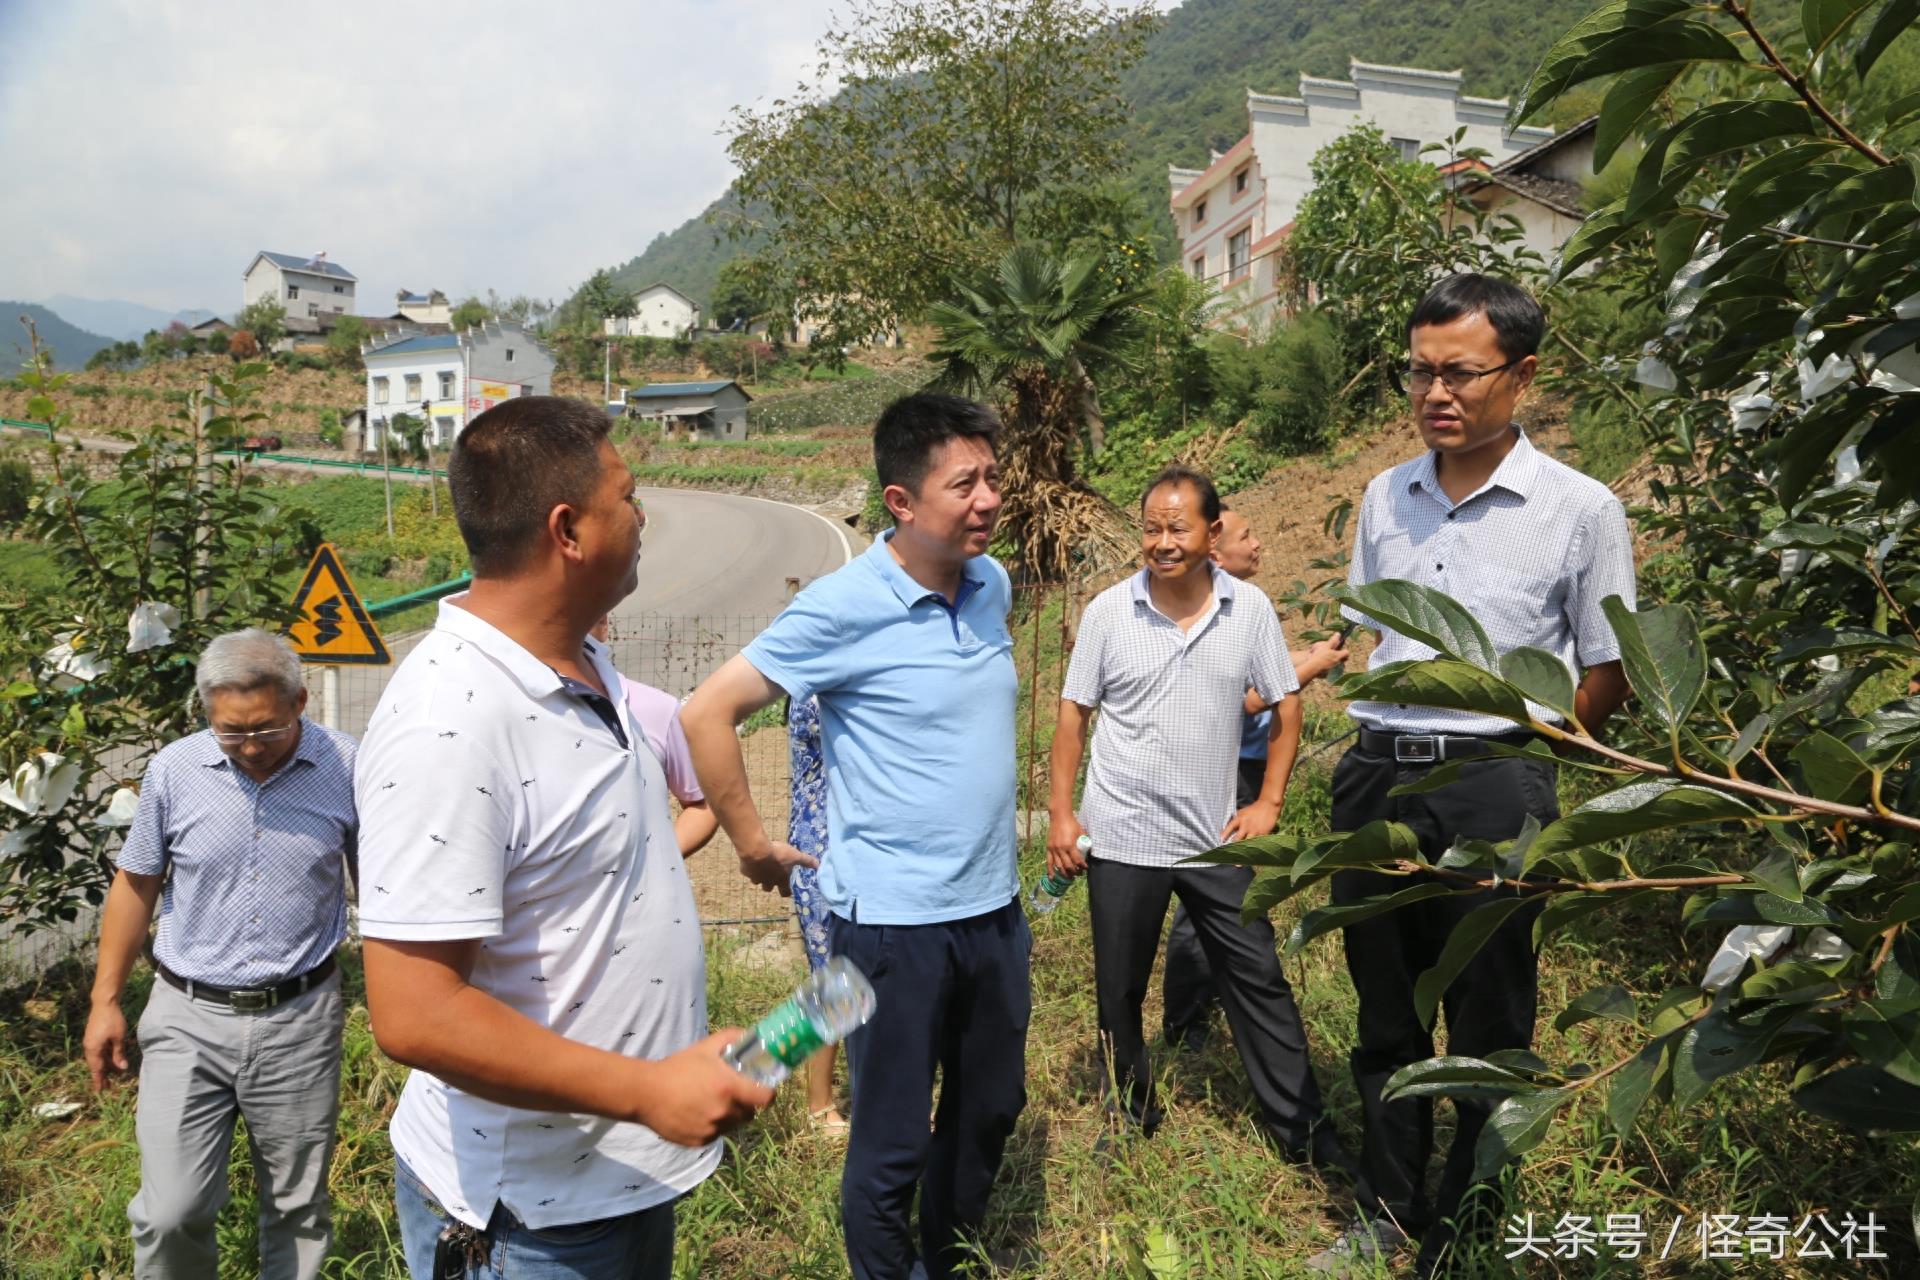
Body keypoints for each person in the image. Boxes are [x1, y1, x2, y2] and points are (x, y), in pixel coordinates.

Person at [355, 396, 771, 1280]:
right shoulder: (450, 720)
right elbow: (414, 1012)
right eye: (628, 498)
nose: (643, 516)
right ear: (568, 530)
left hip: (612, 1181)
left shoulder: (582, 659)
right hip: (524, 1220)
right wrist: (649, 1090)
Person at [1308, 274, 1634, 1278]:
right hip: (1376, 776)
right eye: (1419, 371)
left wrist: (1529, 763)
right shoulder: (1384, 495)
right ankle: (1390, 1207)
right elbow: (1373, 634)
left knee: (1490, 1010)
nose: (1434, 391)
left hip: (1496, 778)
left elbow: (1607, 666)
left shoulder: (1581, 508)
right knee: (1386, 1008)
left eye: (1460, 371)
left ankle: (1473, 1214)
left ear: (1523, 374)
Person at [682, 392, 1027, 1280]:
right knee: (890, 1141)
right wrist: (753, 843)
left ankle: (950, 1256)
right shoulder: (843, 605)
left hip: (994, 912)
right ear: (902, 503)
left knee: (991, 1106)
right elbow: (706, 711)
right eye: (966, 483)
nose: (989, 497)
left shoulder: (993, 585)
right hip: (890, 925)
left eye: (994, 476)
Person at [1047, 467, 1352, 1173]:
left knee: (1259, 980)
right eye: (1151, 527)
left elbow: (1286, 703)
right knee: (1119, 989)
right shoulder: (1107, 612)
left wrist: (1269, 801)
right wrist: (1063, 814)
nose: (1161, 542)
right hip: (1121, 835)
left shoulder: (1247, 610)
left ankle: (1303, 1133)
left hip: (1215, 839)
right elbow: (1073, 714)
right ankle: (1133, 1111)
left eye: (1176, 528)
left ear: (1211, 532)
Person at [83, 627, 357, 1280]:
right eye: (231, 732)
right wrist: (104, 1001)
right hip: (187, 1015)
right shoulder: (176, 771)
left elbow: (383, 886)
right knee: (170, 1212)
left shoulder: (348, 767)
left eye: (264, 728)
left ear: (300, 701)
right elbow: (137, 883)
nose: (250, 747)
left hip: (300, 1019)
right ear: (207, 712)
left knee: (296, 1209)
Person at [1161, 505, 1349, 1051]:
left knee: (1225, 890)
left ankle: (1203, 1000)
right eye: (1248, 535)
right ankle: (1188, 1019)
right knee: (1213, 894)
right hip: (1226, 774)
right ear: (1216, 551)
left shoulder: (1241, 607)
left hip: (1240, 769)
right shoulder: (1208, 611)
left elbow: (1258, 667)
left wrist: (1304, 655)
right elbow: (1238, 699)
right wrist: (1309, 669)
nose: (1259, 543)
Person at [591, 614, 719, 856]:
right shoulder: (511, 708)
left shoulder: (659, 709)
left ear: (603, 624)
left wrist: (655, 862)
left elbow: (702, 803)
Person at [787, 693, 848, 1135]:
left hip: (860, 849)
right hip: (821, 856)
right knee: (830, 980)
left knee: (873, 972)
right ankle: (817, 1103)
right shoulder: (818, 686)